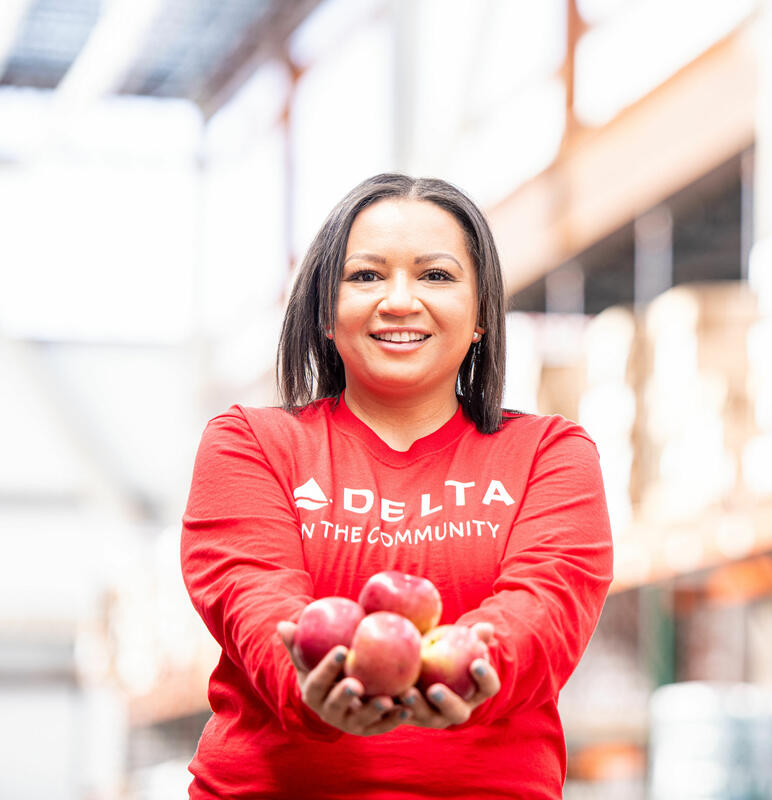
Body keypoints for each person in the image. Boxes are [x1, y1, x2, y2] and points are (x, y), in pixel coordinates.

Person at [180, 173, 614, 799]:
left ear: (482, 316)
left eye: (436, 276)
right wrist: (313, 680)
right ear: (325, 313)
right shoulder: (248, 443)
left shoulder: (550, 455)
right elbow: (256, 601)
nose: (400, 300)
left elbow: (544, 609)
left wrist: (472, 667)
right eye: (366, 276)